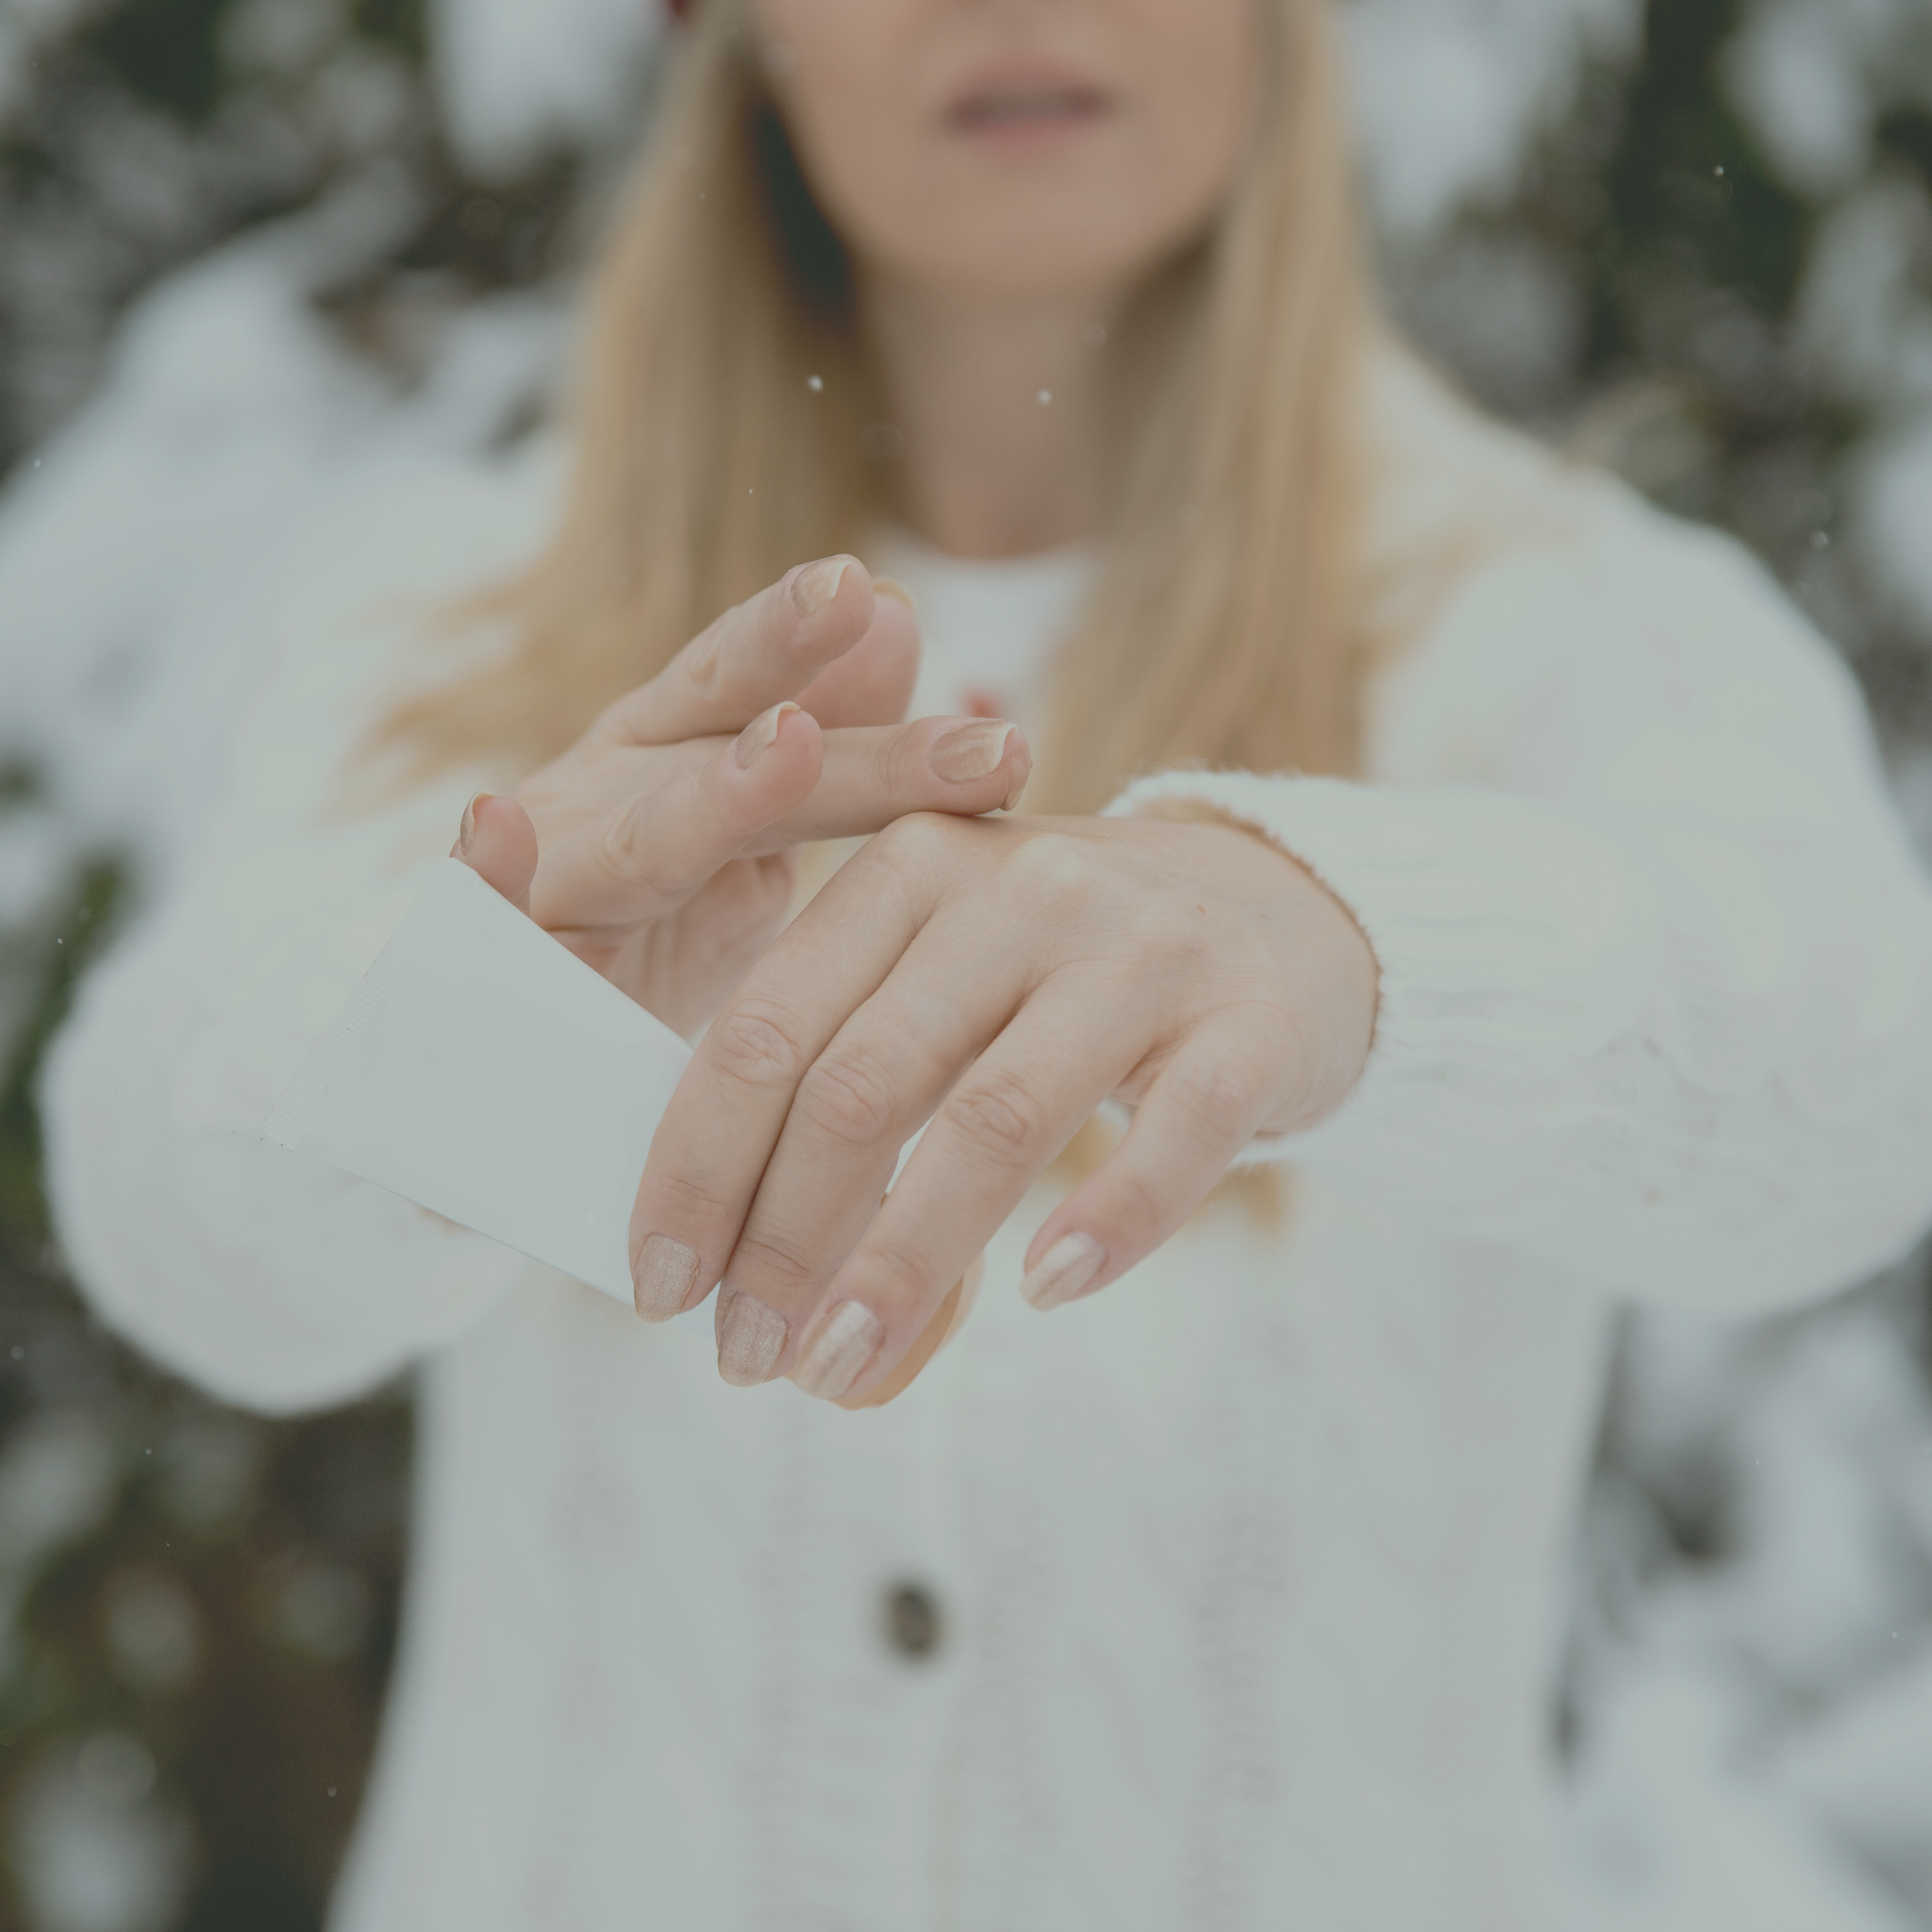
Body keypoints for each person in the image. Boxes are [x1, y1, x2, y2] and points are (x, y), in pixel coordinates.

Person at [41, 0, 1932, 1924]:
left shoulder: (1585, 630)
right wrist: (450, 1034)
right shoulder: (458, 618)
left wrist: (1356, 943)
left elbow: (1854, 1095)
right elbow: (156, 1208)